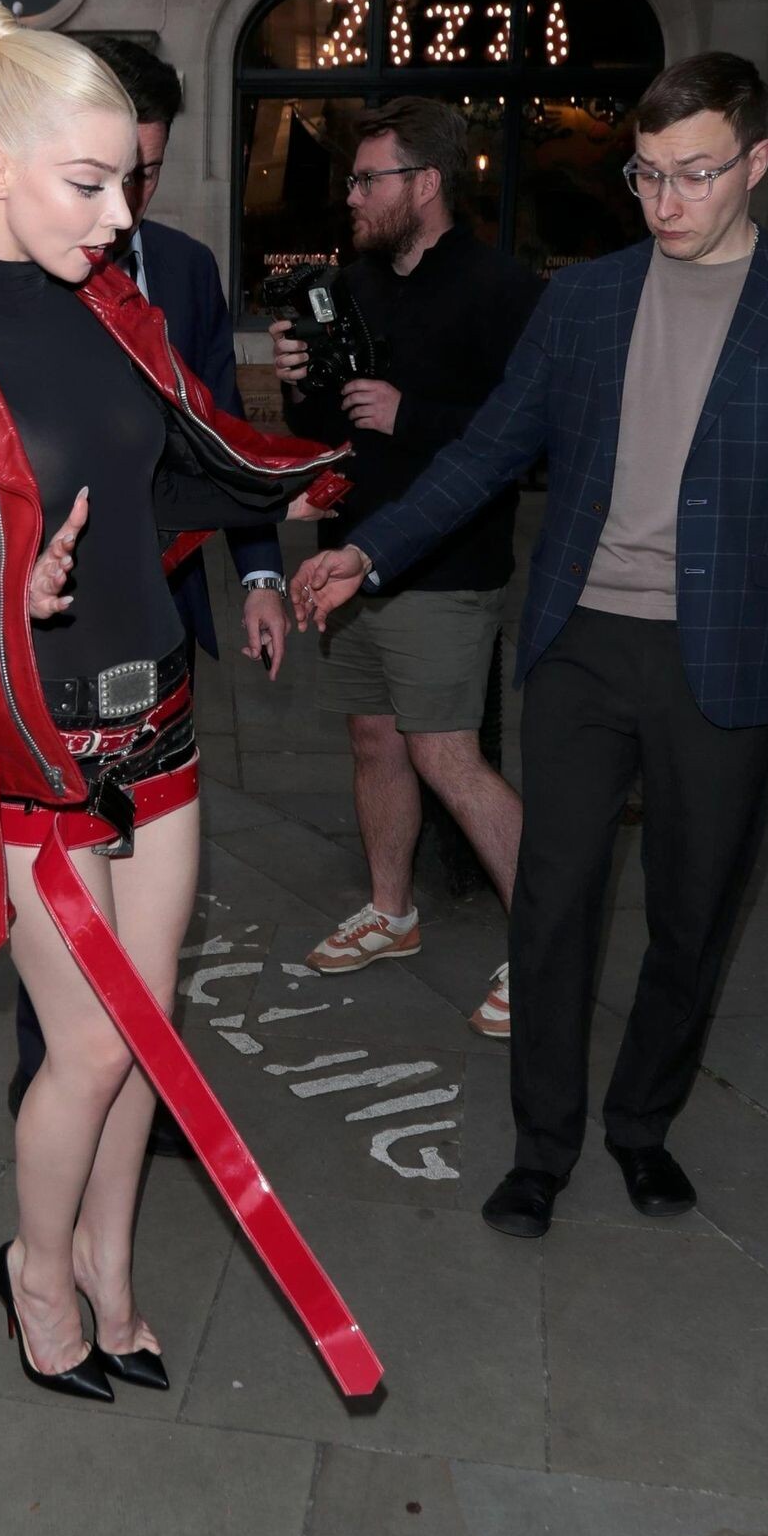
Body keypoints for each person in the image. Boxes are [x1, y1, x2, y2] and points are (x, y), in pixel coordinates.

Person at [0, 0, 377, 1404]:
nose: (117, 216)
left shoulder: (112, 303)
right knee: (93, 1046)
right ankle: (35, 1272)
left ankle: (110, 1266)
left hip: (159, 714)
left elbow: (153, 477)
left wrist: (276, 490)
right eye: (89, 183)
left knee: (145, 1039)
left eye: (125, 184)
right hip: (30, 754)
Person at [291, 52, 768, 1238]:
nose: (663, 203)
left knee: (692, 914)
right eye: (644, 174)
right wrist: (369, 552)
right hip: (582, 642)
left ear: (754, 162)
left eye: (693, 175)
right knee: (550, 904)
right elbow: (487, 450)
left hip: (723, 659)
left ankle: (639, 1126)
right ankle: (540, 1144)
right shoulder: (584, 299)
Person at [7, 34, 290, 1146]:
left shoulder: (182, 268)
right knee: (58, 908)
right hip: (49, 639)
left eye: (149, 171)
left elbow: (224, 435)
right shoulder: (11, 271)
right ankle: (57, 1085)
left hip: (161, 625)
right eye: (106, 171)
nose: (126, 202)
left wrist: (258, 568)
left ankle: (133, 1078)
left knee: (147, 919)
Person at [273, 100, 542, 1036]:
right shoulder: (352, 284)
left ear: (425, 183)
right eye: (352, 181)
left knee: (445, 754)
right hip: (351, 551)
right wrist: (299, 384)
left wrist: (411, 413)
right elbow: (328, 427)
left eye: (367, 180)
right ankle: (391, 912)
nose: (351, 196)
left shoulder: (501, 289)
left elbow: (530, 440)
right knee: (375, 742)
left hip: (447, 564)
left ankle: (546, 949)